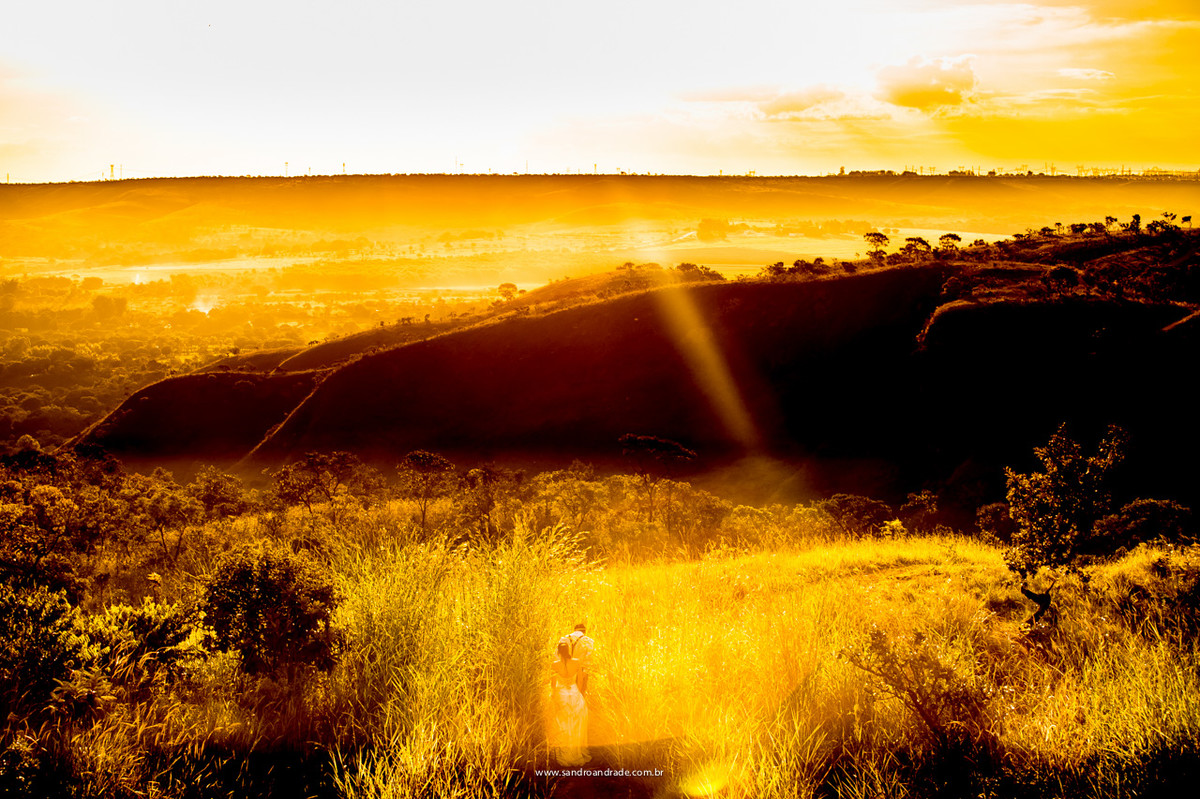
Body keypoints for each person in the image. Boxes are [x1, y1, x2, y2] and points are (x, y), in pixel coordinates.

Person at [550, 640, 589, 766]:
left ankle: (564, 751)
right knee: (577, 722)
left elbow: (553, 685)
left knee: (563, 722)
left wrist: (554, 697)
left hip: (562, 694)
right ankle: (575, 750)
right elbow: (581, 681)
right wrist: (580, 695)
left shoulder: (554, 665)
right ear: (568, 651)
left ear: (558, 652)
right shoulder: (577, 662)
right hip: (574, 693)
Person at [558, 623, 594, 694]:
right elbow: (589, 658)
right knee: (580, 695)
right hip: (580, 671)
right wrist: (585, 672)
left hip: (565, 670)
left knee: (565, 694)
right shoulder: (588, 641)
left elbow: (557, 654)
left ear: (574, 630)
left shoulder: (564, 639)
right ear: (584, 632)